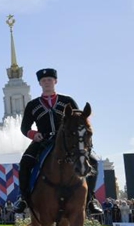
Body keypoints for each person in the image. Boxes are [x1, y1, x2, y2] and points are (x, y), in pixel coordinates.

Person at [12, 68, 103, 215]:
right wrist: (34, 134)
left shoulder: (67, 101)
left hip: (69, 141)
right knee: (25, 162)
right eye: (43, 80)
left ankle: (91, 200)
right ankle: (23, 198)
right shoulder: (32, 105)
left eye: (49, 80)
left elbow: (79, 120)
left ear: (55, 81)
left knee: (93, 161)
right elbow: (24, 127)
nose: (47, 82)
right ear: (40, 83)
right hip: (43, 140)